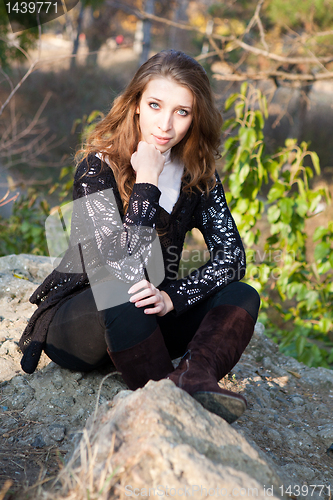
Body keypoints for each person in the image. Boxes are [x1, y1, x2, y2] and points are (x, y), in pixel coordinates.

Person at [19, 50, 260, 424]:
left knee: (242, 294)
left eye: (182, 112)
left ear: (195, 118)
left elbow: (233, 258)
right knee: (122, 290)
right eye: (155, 105)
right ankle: (170, 396)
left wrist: (171, 297)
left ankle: (193, 377)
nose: (165, 124)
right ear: (135, 105)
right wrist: (147, 180)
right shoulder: (97, 166)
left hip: (148, 322)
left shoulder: (197, 176)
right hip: (84, 324)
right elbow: (118, 268)